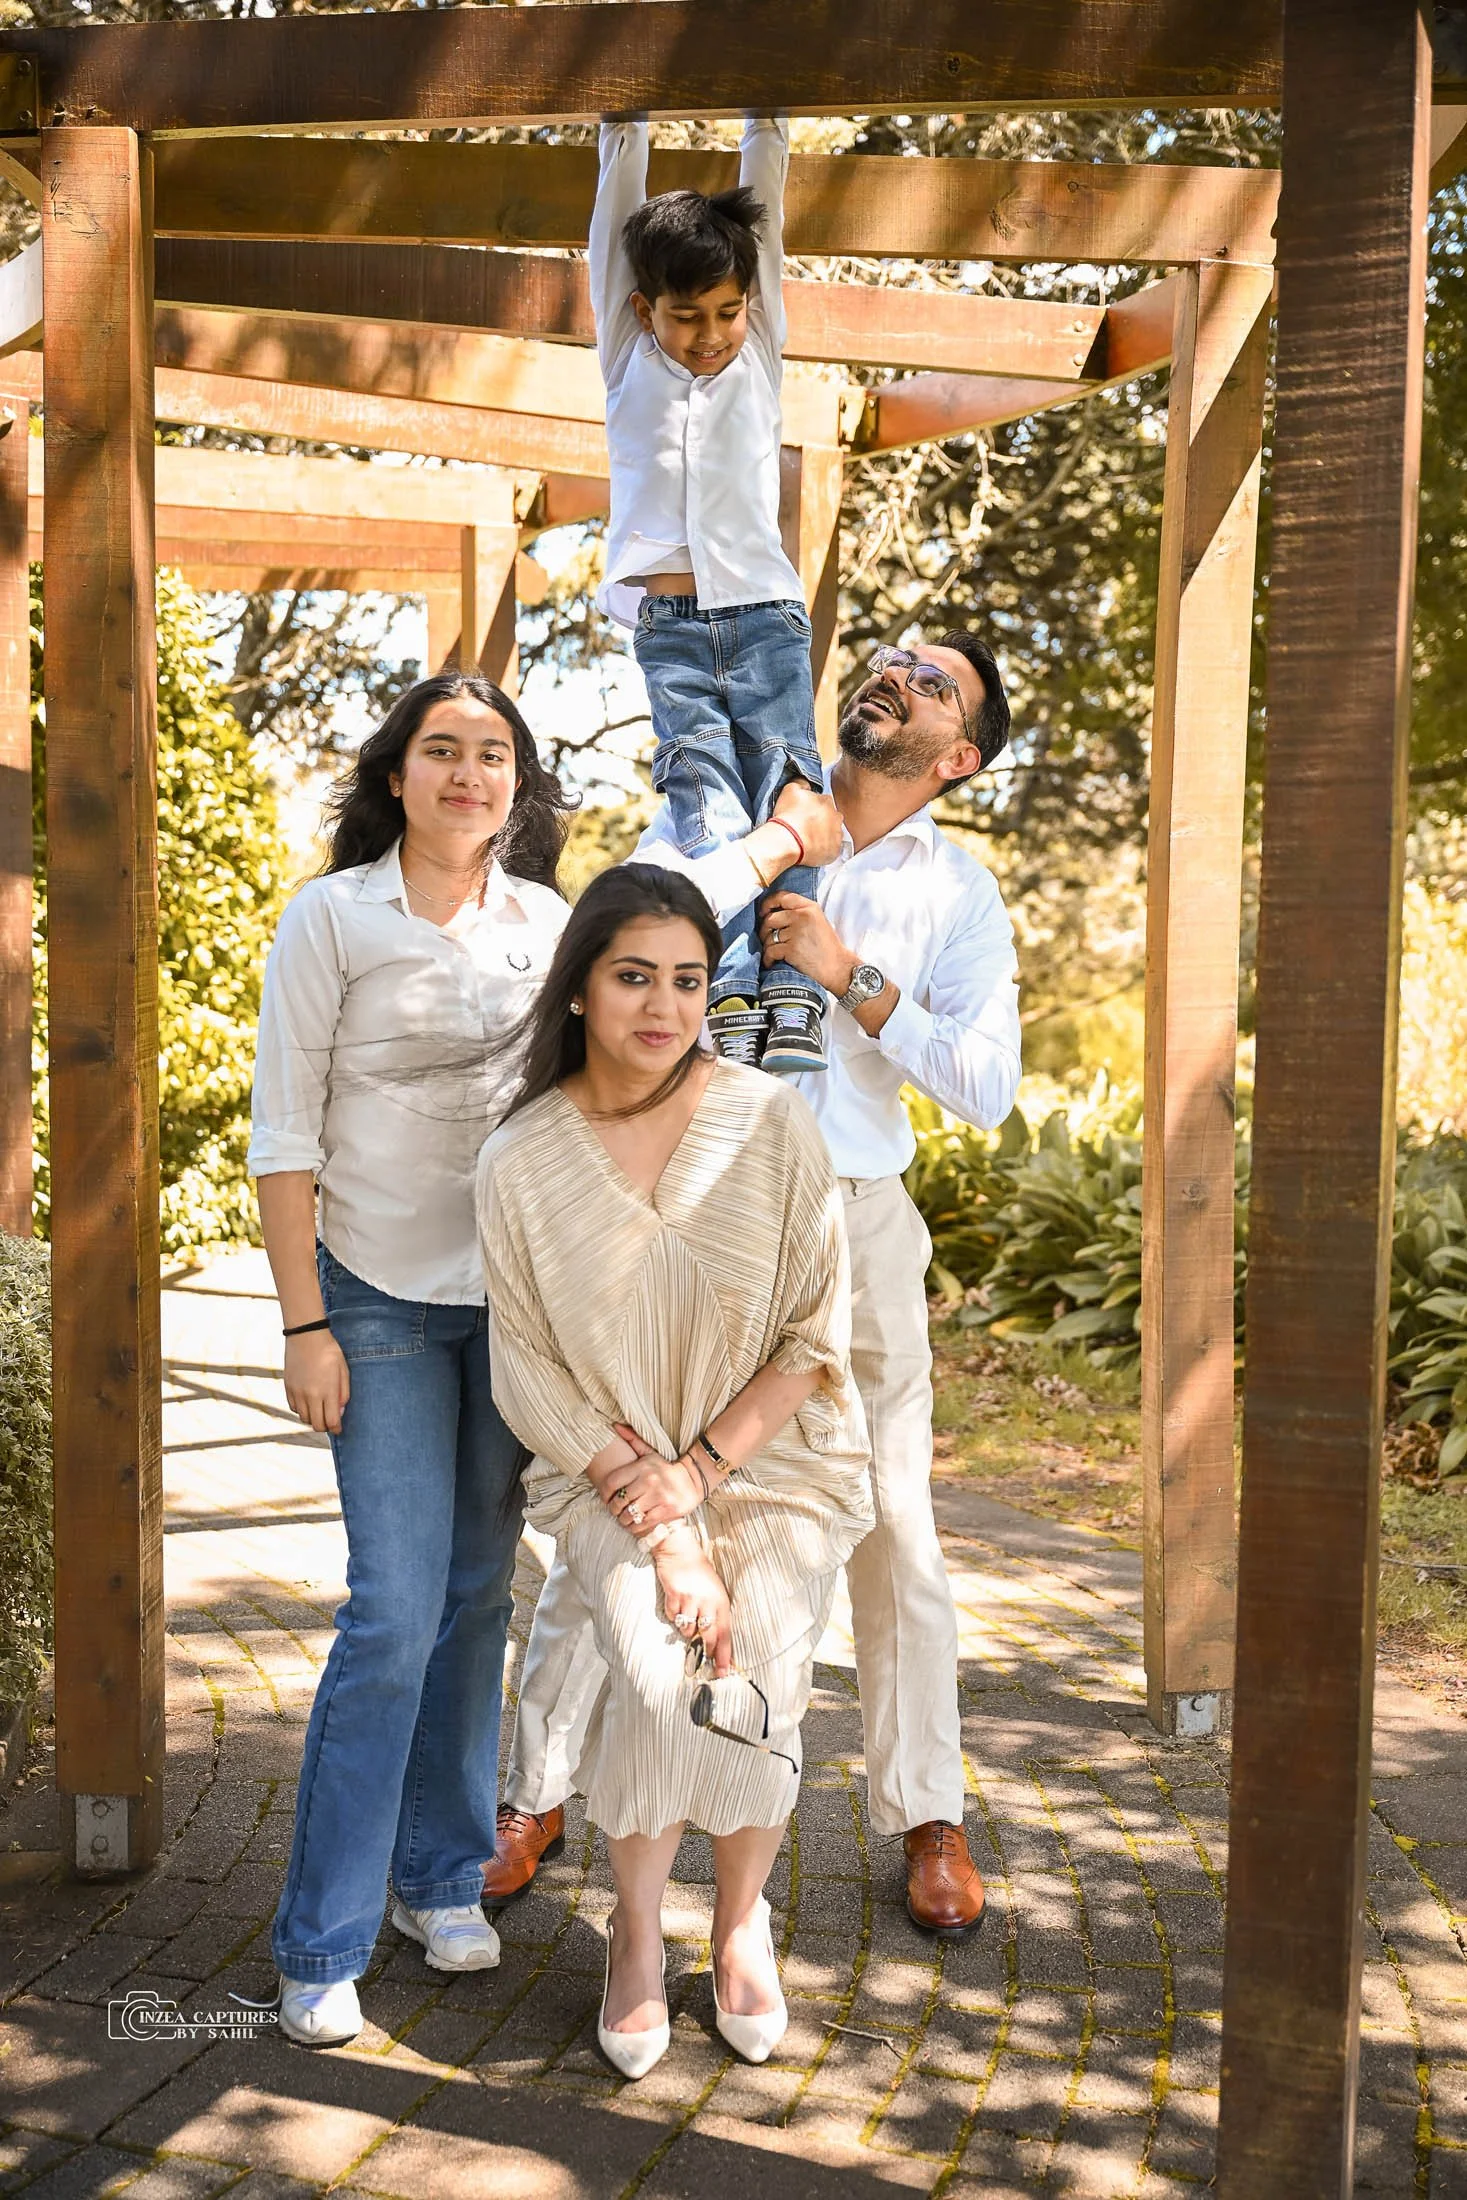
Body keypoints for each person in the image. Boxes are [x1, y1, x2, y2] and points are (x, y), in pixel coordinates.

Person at [485, 629, 1022, 1942]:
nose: (894, 671)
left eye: (931, 680)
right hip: (688, 1213)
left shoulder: (952, 895)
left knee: (895, 1525)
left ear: (953, 757)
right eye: (890, 653)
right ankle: (536, 1786)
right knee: (631, 1489)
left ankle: (923, 1810)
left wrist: (849, 977)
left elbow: (986, 1084)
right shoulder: (733, 825)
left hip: (853, 1220)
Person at [477, 864, 873, 2076]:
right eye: (633, 976)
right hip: (610, 1475)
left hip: (772, 1460)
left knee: (761, 1662)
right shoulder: (524, 1158)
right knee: (659, 1676)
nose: (663, 1005)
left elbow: (815, 1333)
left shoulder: (772, 1120)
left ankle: (744, 1917)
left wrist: (700, 1479)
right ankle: (636, 1932)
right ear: (583, 988)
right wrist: (662, 1518)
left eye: (689, 980)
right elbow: (529, 1371)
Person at [248, 672, 574, 2048]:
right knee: (390, 1610)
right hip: (370, 1299)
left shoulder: (547, 924)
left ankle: (441, 1878)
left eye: (491, 755)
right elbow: (283, 1134)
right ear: (397, 775)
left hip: (505, 1311)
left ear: (515, 785)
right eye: (441, 751)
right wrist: (301, 1322)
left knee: (475, 1593)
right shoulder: (333, 917)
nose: (466, 774)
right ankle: (318, 1939)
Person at [591, 113, 829, 1075]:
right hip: (672, 627)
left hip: (766, 616)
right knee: (708, 800)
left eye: (725, 314)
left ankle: (795, 996)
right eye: (685, 317)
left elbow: (764, 226)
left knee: (790, 790)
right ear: (645, 309)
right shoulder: (624, 354)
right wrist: (626, 115)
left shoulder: (758, 353)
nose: (708, 336)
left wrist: (764, 121)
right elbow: (612, 210)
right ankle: (729, 989)